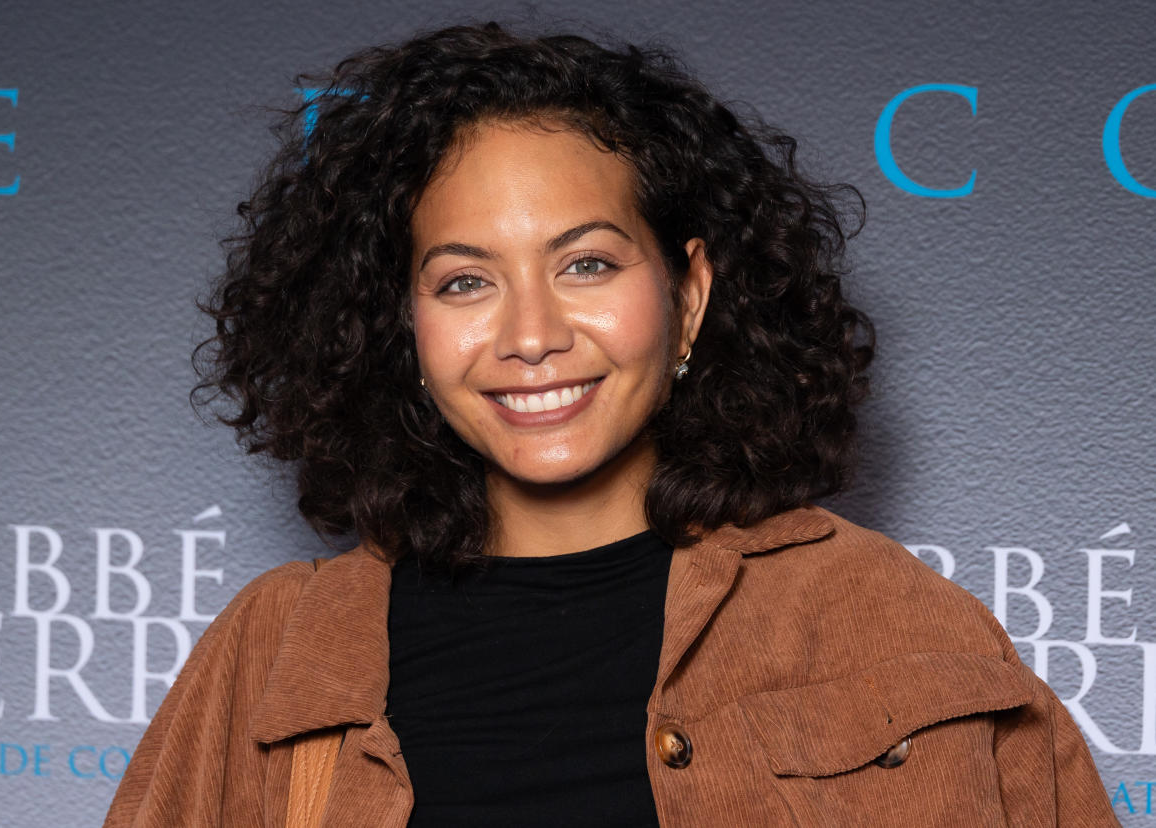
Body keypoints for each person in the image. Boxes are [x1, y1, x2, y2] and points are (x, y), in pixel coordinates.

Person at [103, 20, 1118, 827]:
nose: (530, 334)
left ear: (690, 294)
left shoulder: (890, 620)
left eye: (587, 263)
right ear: (398, 326)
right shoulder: (276, 650)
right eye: (464, 281)